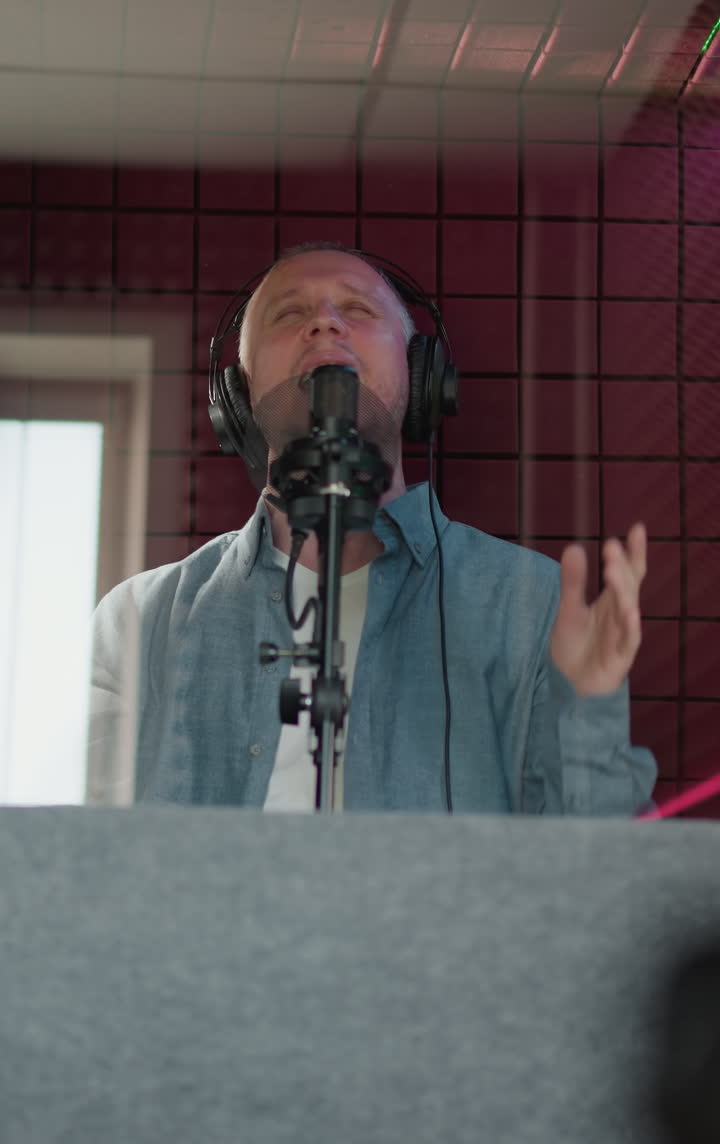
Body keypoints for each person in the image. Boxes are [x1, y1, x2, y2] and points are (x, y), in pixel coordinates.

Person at [87, 244, 657, 813]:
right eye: (289, 314)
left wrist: (589, 714)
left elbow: (586, 866)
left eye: (357, 310)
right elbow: (91, 863)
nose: (324, 323)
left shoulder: (533, 608)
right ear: (238, 397)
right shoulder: (139, 622)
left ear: (420, 374)